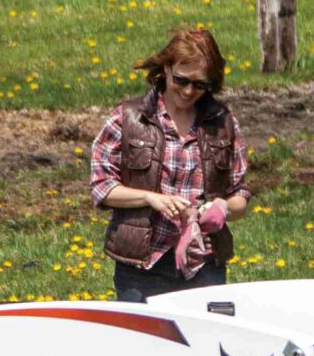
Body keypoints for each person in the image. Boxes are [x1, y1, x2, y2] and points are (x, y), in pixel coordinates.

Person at [89, 26, 251, 302]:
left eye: (200, 84)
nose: (189, 91)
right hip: (143, 267)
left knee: (203, 344)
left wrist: (223, 207)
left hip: (205, 264)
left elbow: (241, 196)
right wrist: (152, 199)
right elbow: (102, 188)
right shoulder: (128, 119)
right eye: (181, 80)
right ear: (165, 68)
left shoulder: (223, 123)